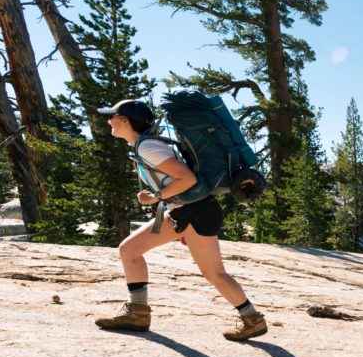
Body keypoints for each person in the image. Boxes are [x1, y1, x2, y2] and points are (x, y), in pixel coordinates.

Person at [93, 99, 268, 341]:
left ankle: (251, 320)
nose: (108, 121)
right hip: (192, 212)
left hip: (193, 212)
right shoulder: (147, 145)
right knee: (133, 251)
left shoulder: (148, 148)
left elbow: (188, 179)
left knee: (211, 272)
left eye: (112, 116)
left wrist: (156, 197)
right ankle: (251, 319)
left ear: (125, 121)